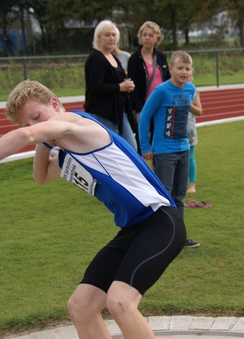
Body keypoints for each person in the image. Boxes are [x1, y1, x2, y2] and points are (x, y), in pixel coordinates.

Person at [0, 80, 186, 339]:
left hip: (161, 221)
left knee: (120, 302)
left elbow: (29, 136)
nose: (33, 126)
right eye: (26, 123)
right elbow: (41, 176)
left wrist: (36, 133)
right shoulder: (64, 149)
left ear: (55, 104)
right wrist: (42, 143)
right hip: (132, 229)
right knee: (80, 306)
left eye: (37, 115)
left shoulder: (80, 126)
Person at [138, 50, 200, 249]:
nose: (184, 72)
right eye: (180, 68)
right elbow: (144, 118)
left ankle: (178, 237)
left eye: (187, 68)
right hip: (164, 152)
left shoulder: (190, 90)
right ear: (171, 69)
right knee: (164, 196)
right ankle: (161, 235)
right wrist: (146, 147)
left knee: (179, 196)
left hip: (184, 149)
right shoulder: (161, 91)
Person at [84, 20, 138, 151]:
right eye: (107, 35)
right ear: (99, 37)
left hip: (119, 112)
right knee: (110, 150)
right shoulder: (96, 58)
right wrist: (120, 87)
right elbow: (96, 86)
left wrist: (127, 85)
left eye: (114, 35)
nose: (111, 38)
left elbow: (117, 81)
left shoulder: (113, 57)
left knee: (131, 148)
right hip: (102, 113)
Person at [128, 21, 171, 151]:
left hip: (161, 108)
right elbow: (132, 88)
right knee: (141, 145)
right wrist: (139, 110)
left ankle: (155, 171)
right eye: (144, 35)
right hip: (145, 108)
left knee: (159, 145)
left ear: (157, 38)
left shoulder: (161, 57)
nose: (147, 38)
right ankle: (138, 171)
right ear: (140, 37)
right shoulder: (134, 60)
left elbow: (168, 80)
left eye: (151, 35)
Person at [187, 69, 203, 194]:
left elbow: (199, 111)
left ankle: (192, 184)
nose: (189, 80)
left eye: (191, 78)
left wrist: (188, 104)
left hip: (189, 130)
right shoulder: (171, 91)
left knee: (190, 156)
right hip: (174, 131)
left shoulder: (193, 92)